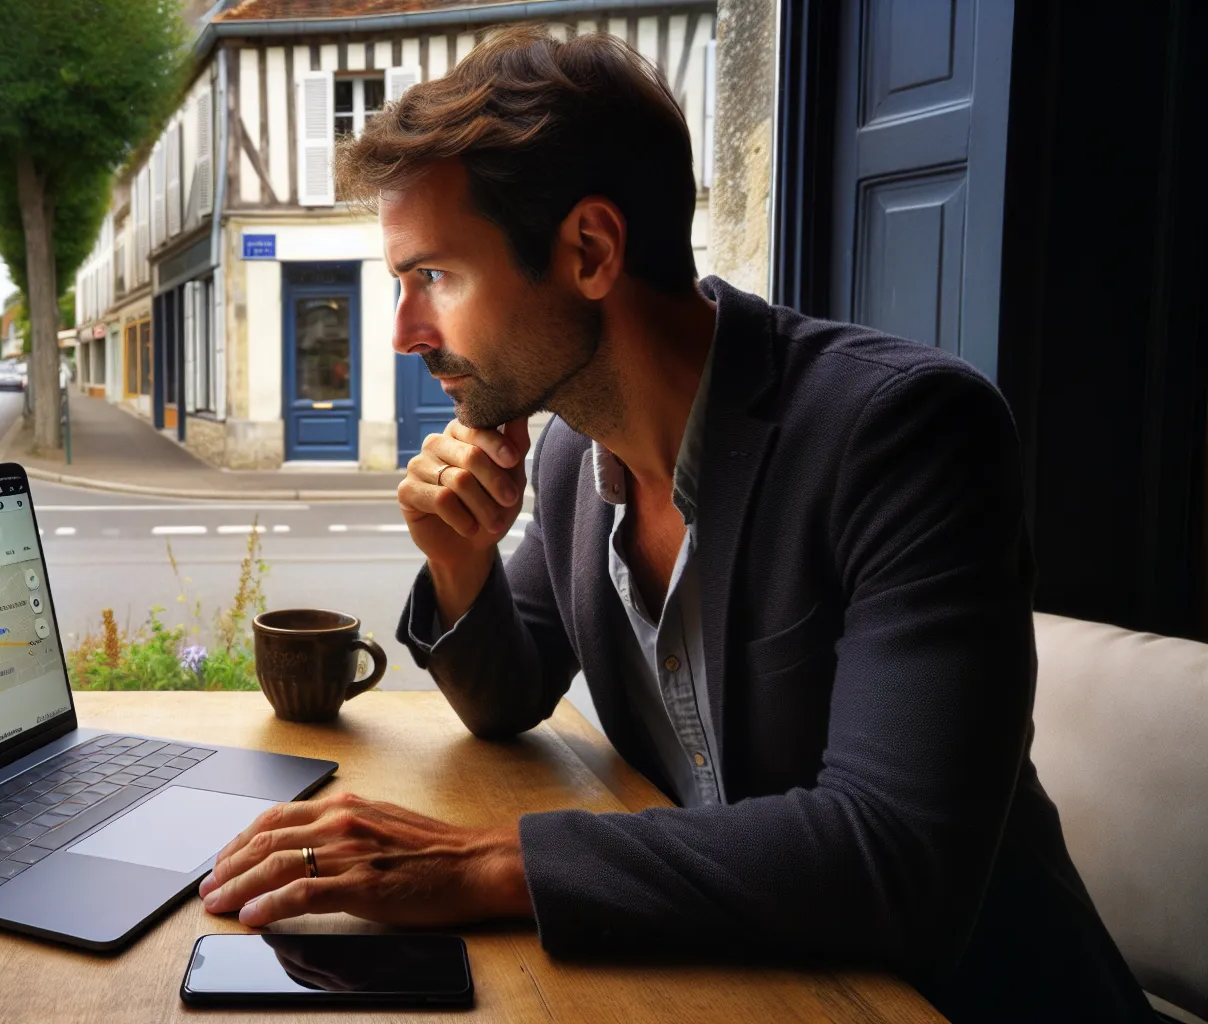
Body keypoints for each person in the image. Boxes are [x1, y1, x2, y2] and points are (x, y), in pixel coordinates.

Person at [196, 25, 1151, 1022]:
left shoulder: (906, 432)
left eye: (433, 275)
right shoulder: (570, 454)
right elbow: (508, 694)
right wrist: (461, 562)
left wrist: (487, 861)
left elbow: (895, 857)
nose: (402, 332)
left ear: (591, 250)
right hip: (739, 985)